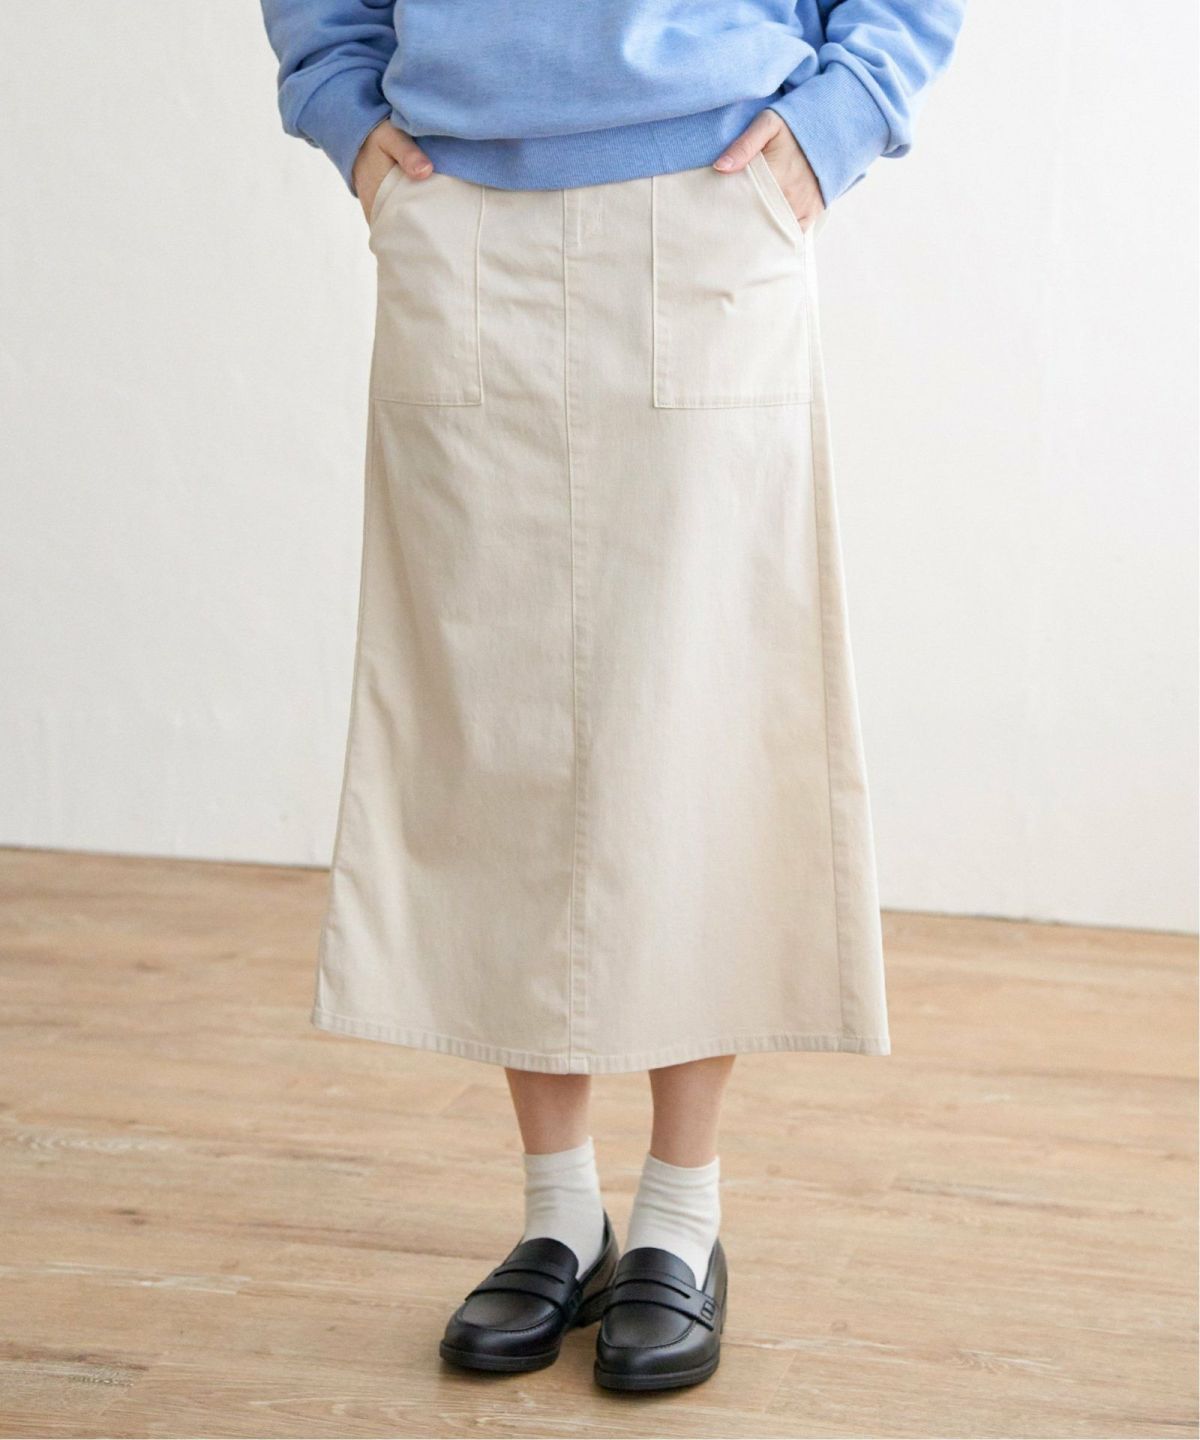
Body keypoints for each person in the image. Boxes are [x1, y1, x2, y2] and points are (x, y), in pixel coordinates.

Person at [260, 0, 965, 1394]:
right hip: (460, 204)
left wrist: (836, 122)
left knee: (700, 722)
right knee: (495, 726)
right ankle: (558, 1211)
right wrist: (343, 110)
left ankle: (682, 1215)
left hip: (711, 197)